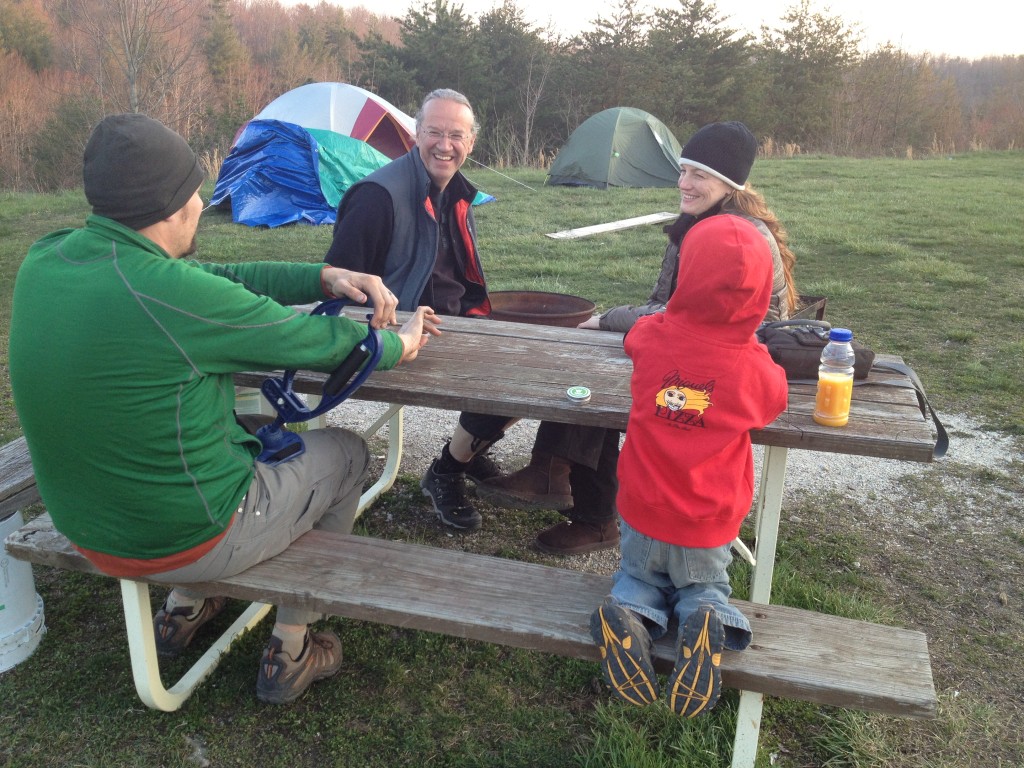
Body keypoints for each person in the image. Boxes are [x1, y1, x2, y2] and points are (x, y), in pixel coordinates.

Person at [9, 113, 441, 705]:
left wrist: (323, 276)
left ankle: (186, 607)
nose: (202, 200)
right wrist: (400, 343)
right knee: (346, 452)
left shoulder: (47, 258)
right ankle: (292, 644)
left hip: (86, 524)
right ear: (169, 205)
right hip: (187, 536)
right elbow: (316, 342)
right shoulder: (170, 295)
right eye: (193, 189)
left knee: (250, 426)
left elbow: (214, 278)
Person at [477, 121, 798, 555]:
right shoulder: (699, 220)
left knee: (605, 379)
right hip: (694, 341)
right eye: (683, 170)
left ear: (729, 183)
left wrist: (614, 319)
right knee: (594, 360)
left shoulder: (737, 237)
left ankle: (590, 511)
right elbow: (669, 304)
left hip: (732, 358)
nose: (683, 182)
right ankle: (557, 475)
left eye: (698, 175)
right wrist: (634, 326)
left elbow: (695, 314)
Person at [590, 214, 789, 717]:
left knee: (637, 580)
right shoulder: (751, 366)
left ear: (687, 274)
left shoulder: (652, 336)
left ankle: (630, 613)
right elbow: (774, 401)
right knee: (705, 587)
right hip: (705, 521)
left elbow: (635, 339)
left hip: (640, 509)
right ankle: (704, 618)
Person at [324, 88, 515, 533]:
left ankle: (469, 449)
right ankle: (450, 468)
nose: (444, 145)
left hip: (458, 320)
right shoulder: (378, 196)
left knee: (541, 358)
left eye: (456, 135)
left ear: (471, 142)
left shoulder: (458, 192)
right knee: (511, 374)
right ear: (415, 133)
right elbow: (340, 287)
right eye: (433, 132)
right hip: (403, 332)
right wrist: (397, 320)